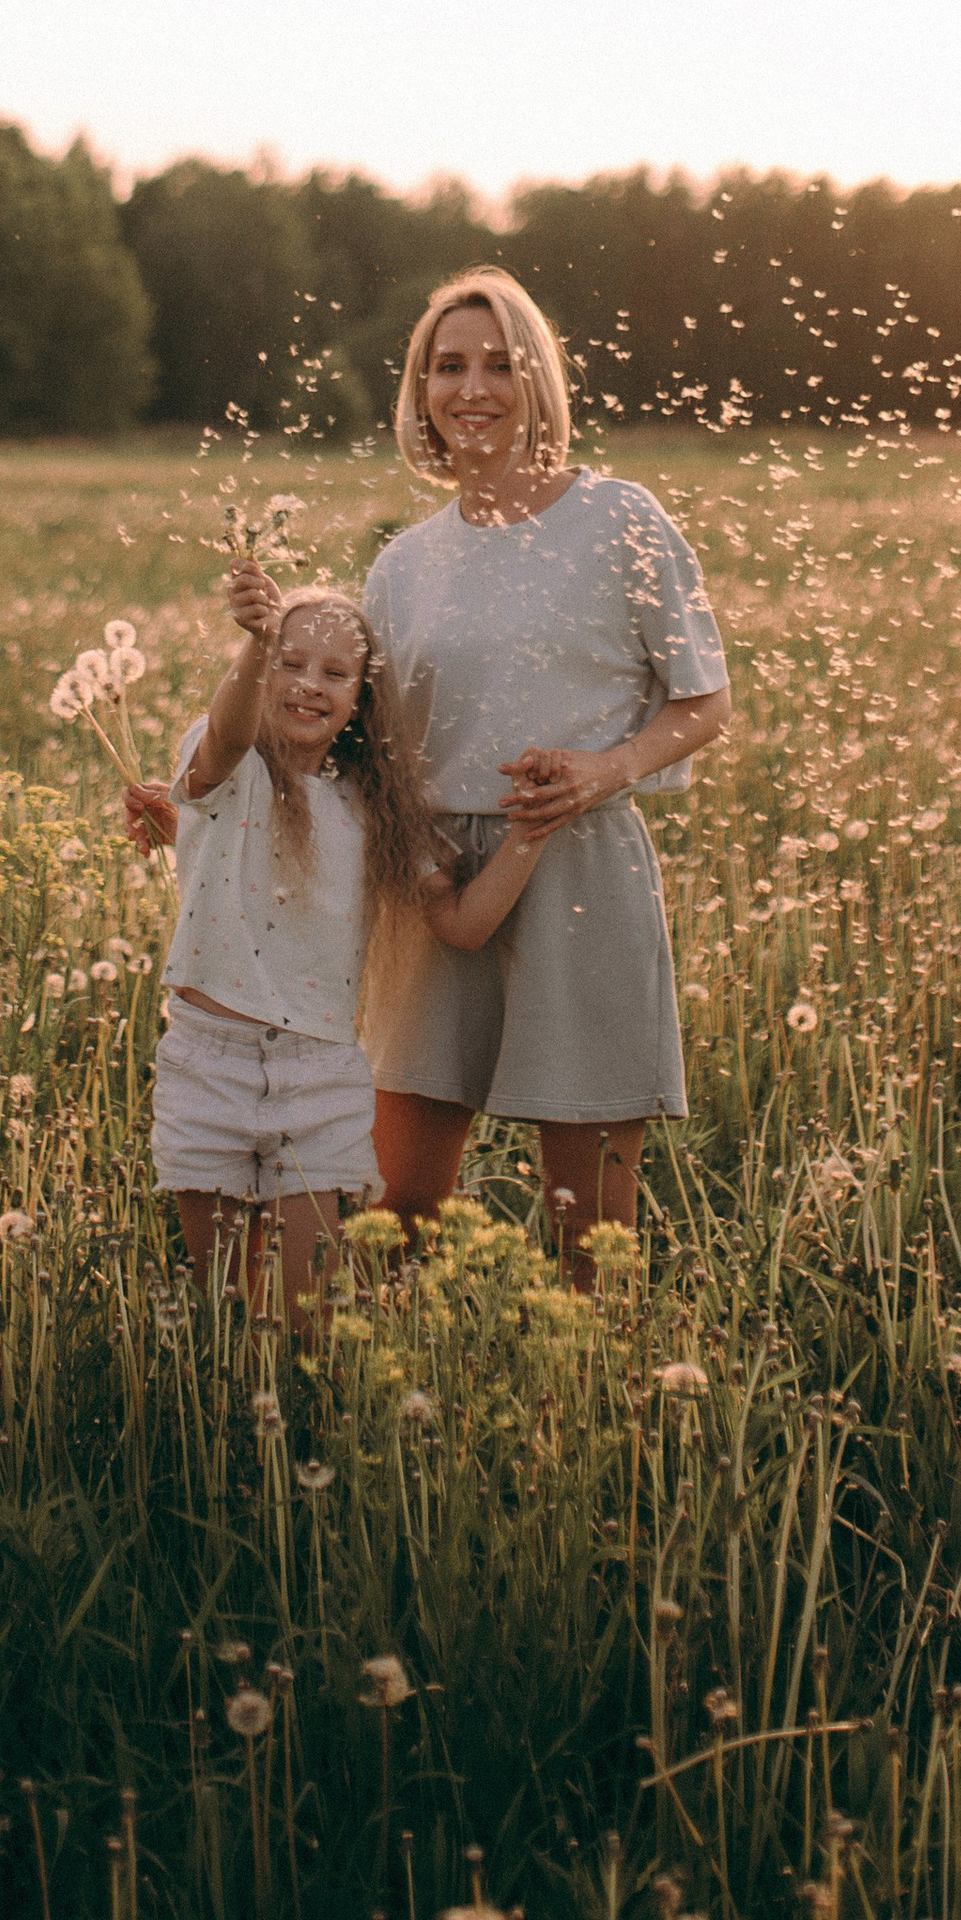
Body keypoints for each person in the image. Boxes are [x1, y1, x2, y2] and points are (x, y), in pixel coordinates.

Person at [363, 267, 731, 1275]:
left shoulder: (621, 519)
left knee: (590, 1229)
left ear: (539, 382)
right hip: (434, 877)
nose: (470, 386)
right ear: (420, 389)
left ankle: (590, 1416)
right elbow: (371, 747)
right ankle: (388, 1415)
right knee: (396, 1213)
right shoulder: (404, 564)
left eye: (499, 362)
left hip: (580, 868)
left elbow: (704, 700)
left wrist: (605, 768)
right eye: (447, 365)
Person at [121, 563, 434, 1320]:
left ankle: (309, 1430)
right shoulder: (229, 761)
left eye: (335, 672)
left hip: (318, 1070)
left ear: (361, 698)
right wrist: (255, 645)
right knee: (223, 1311)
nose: (307, 683)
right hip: (208, 1060)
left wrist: (531, 837)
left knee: (310, 1315)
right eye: (288, 662)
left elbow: (457, 914)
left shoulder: (370, 805)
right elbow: (226, 736)